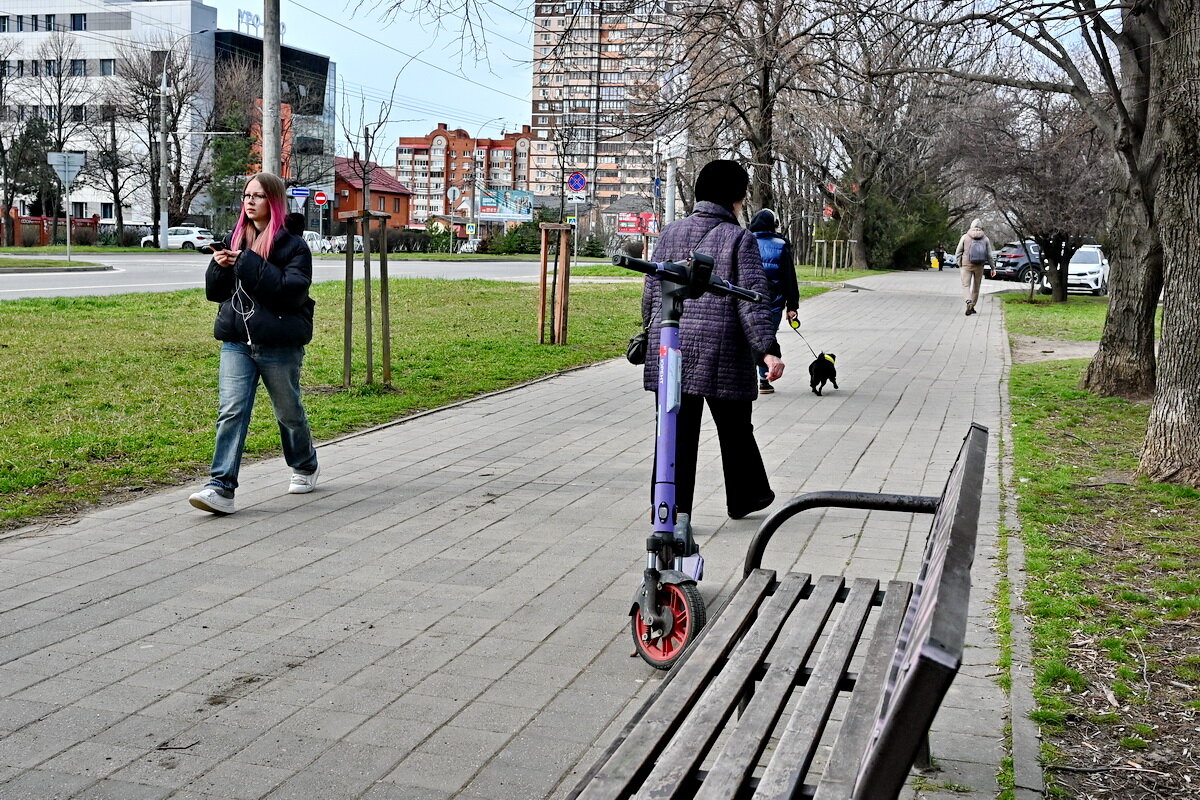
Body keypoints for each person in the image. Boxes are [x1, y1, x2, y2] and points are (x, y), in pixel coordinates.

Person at [641, 159, 785, 537]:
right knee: (736, 428)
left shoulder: (669, 233)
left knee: (674, 432)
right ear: (735, 198)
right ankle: (745, 497)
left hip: (669, 346)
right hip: (720, 351)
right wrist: (766, 348)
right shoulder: (740, 238)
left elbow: (651, 293)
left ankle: (670, 510)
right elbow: (752, 299)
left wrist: (648, 332)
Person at [188, 172, 320, 515]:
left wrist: (246, 262)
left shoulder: (293, 245)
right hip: (237, 340)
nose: (249, 201)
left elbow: (291, 292)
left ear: (272, 201)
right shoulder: (237, 238)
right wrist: (219, 267)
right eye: (247, 195)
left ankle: (305, 463)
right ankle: (221, 487)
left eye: (258, 196)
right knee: (231, 411)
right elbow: (215, 294)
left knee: (288, 412)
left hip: (277, 342)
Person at [747, 209, 799, 394]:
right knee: (768, 337)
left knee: (748, 337)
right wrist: (792, 306)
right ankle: (765, 379)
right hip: (773, 303)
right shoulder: (781, 245)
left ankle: (748, 377)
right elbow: (789, 278)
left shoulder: (745, 240)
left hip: (748, 301)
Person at [954, 218, 995, 316]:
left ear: (971, 226)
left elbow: (958, 252)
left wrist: (960, 264)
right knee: (976, 287)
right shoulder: (985, 238)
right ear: (981, 227)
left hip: (966, 265)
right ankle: (972, 307)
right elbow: (989, 255)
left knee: (965, 285)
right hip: (979, 266)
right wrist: (993, 268)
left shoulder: (965, 237)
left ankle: (968, 301)